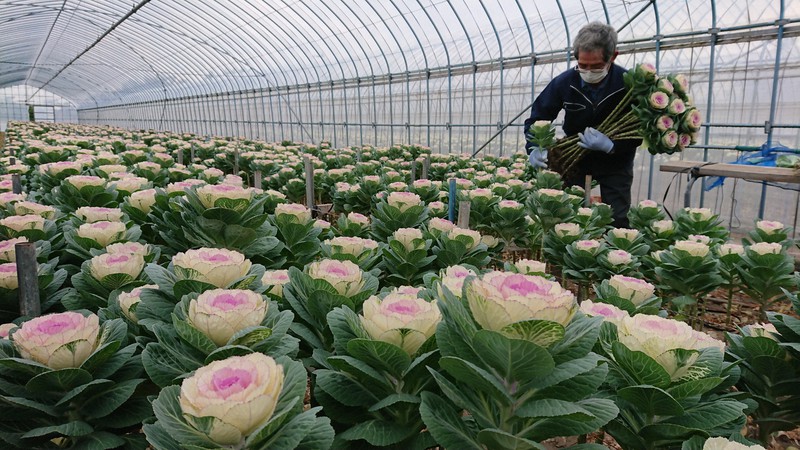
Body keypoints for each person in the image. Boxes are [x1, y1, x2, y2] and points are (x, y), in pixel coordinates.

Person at [524, 22, 641, 228]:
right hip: (572, 161)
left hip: (615, 164)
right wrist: (535, 147)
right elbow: (538, 116)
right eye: (582, 65)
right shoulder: (565, 82)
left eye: (595, 66)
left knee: (616, 221)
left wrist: (612, 145)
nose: (587, 71)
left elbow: (641, 128)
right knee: (569, 218)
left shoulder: (628, 85)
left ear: (612, 57)